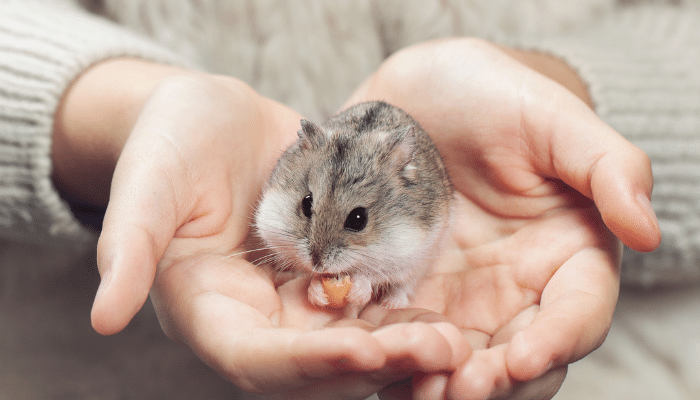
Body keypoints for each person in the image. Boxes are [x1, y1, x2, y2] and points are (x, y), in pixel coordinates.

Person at [2, 0, 697, 398]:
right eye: (308, 216)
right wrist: (115, 118)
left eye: (354, 224)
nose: (318, 250)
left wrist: (558, 99)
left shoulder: (416, 196)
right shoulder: (295, 178)